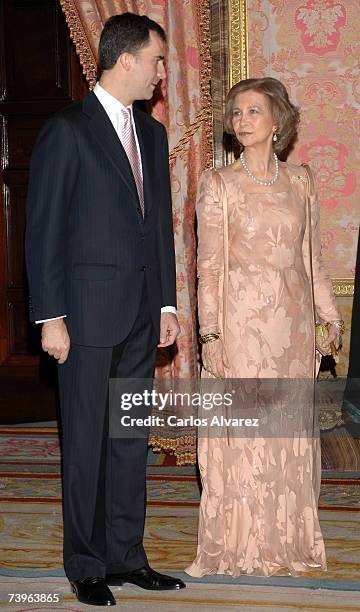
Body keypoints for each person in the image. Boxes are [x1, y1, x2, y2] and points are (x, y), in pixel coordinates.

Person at [25, 12, 185, 606]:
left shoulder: (153, 134)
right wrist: (50, 316)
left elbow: (158, 230)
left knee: (127, 439)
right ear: (125, 61)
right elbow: (42, 233)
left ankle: (126, 556)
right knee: (87, 442)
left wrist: (166, 302)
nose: (162, 72)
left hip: (142, 317)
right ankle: (85, 563)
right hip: (84, 319)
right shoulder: (67, 130)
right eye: (157, 61)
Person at [186, 77, 343, 577]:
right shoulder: (218, 185)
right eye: (236, 114)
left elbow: (311, 258)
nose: (242, 121)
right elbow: (207, 268)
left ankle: (288, 541)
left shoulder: (302, 181)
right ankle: (238, 544)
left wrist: (329, 317)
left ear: (278, 122)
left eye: (254, 111)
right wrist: (210, 334)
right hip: (240, 327)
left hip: (293, 330)